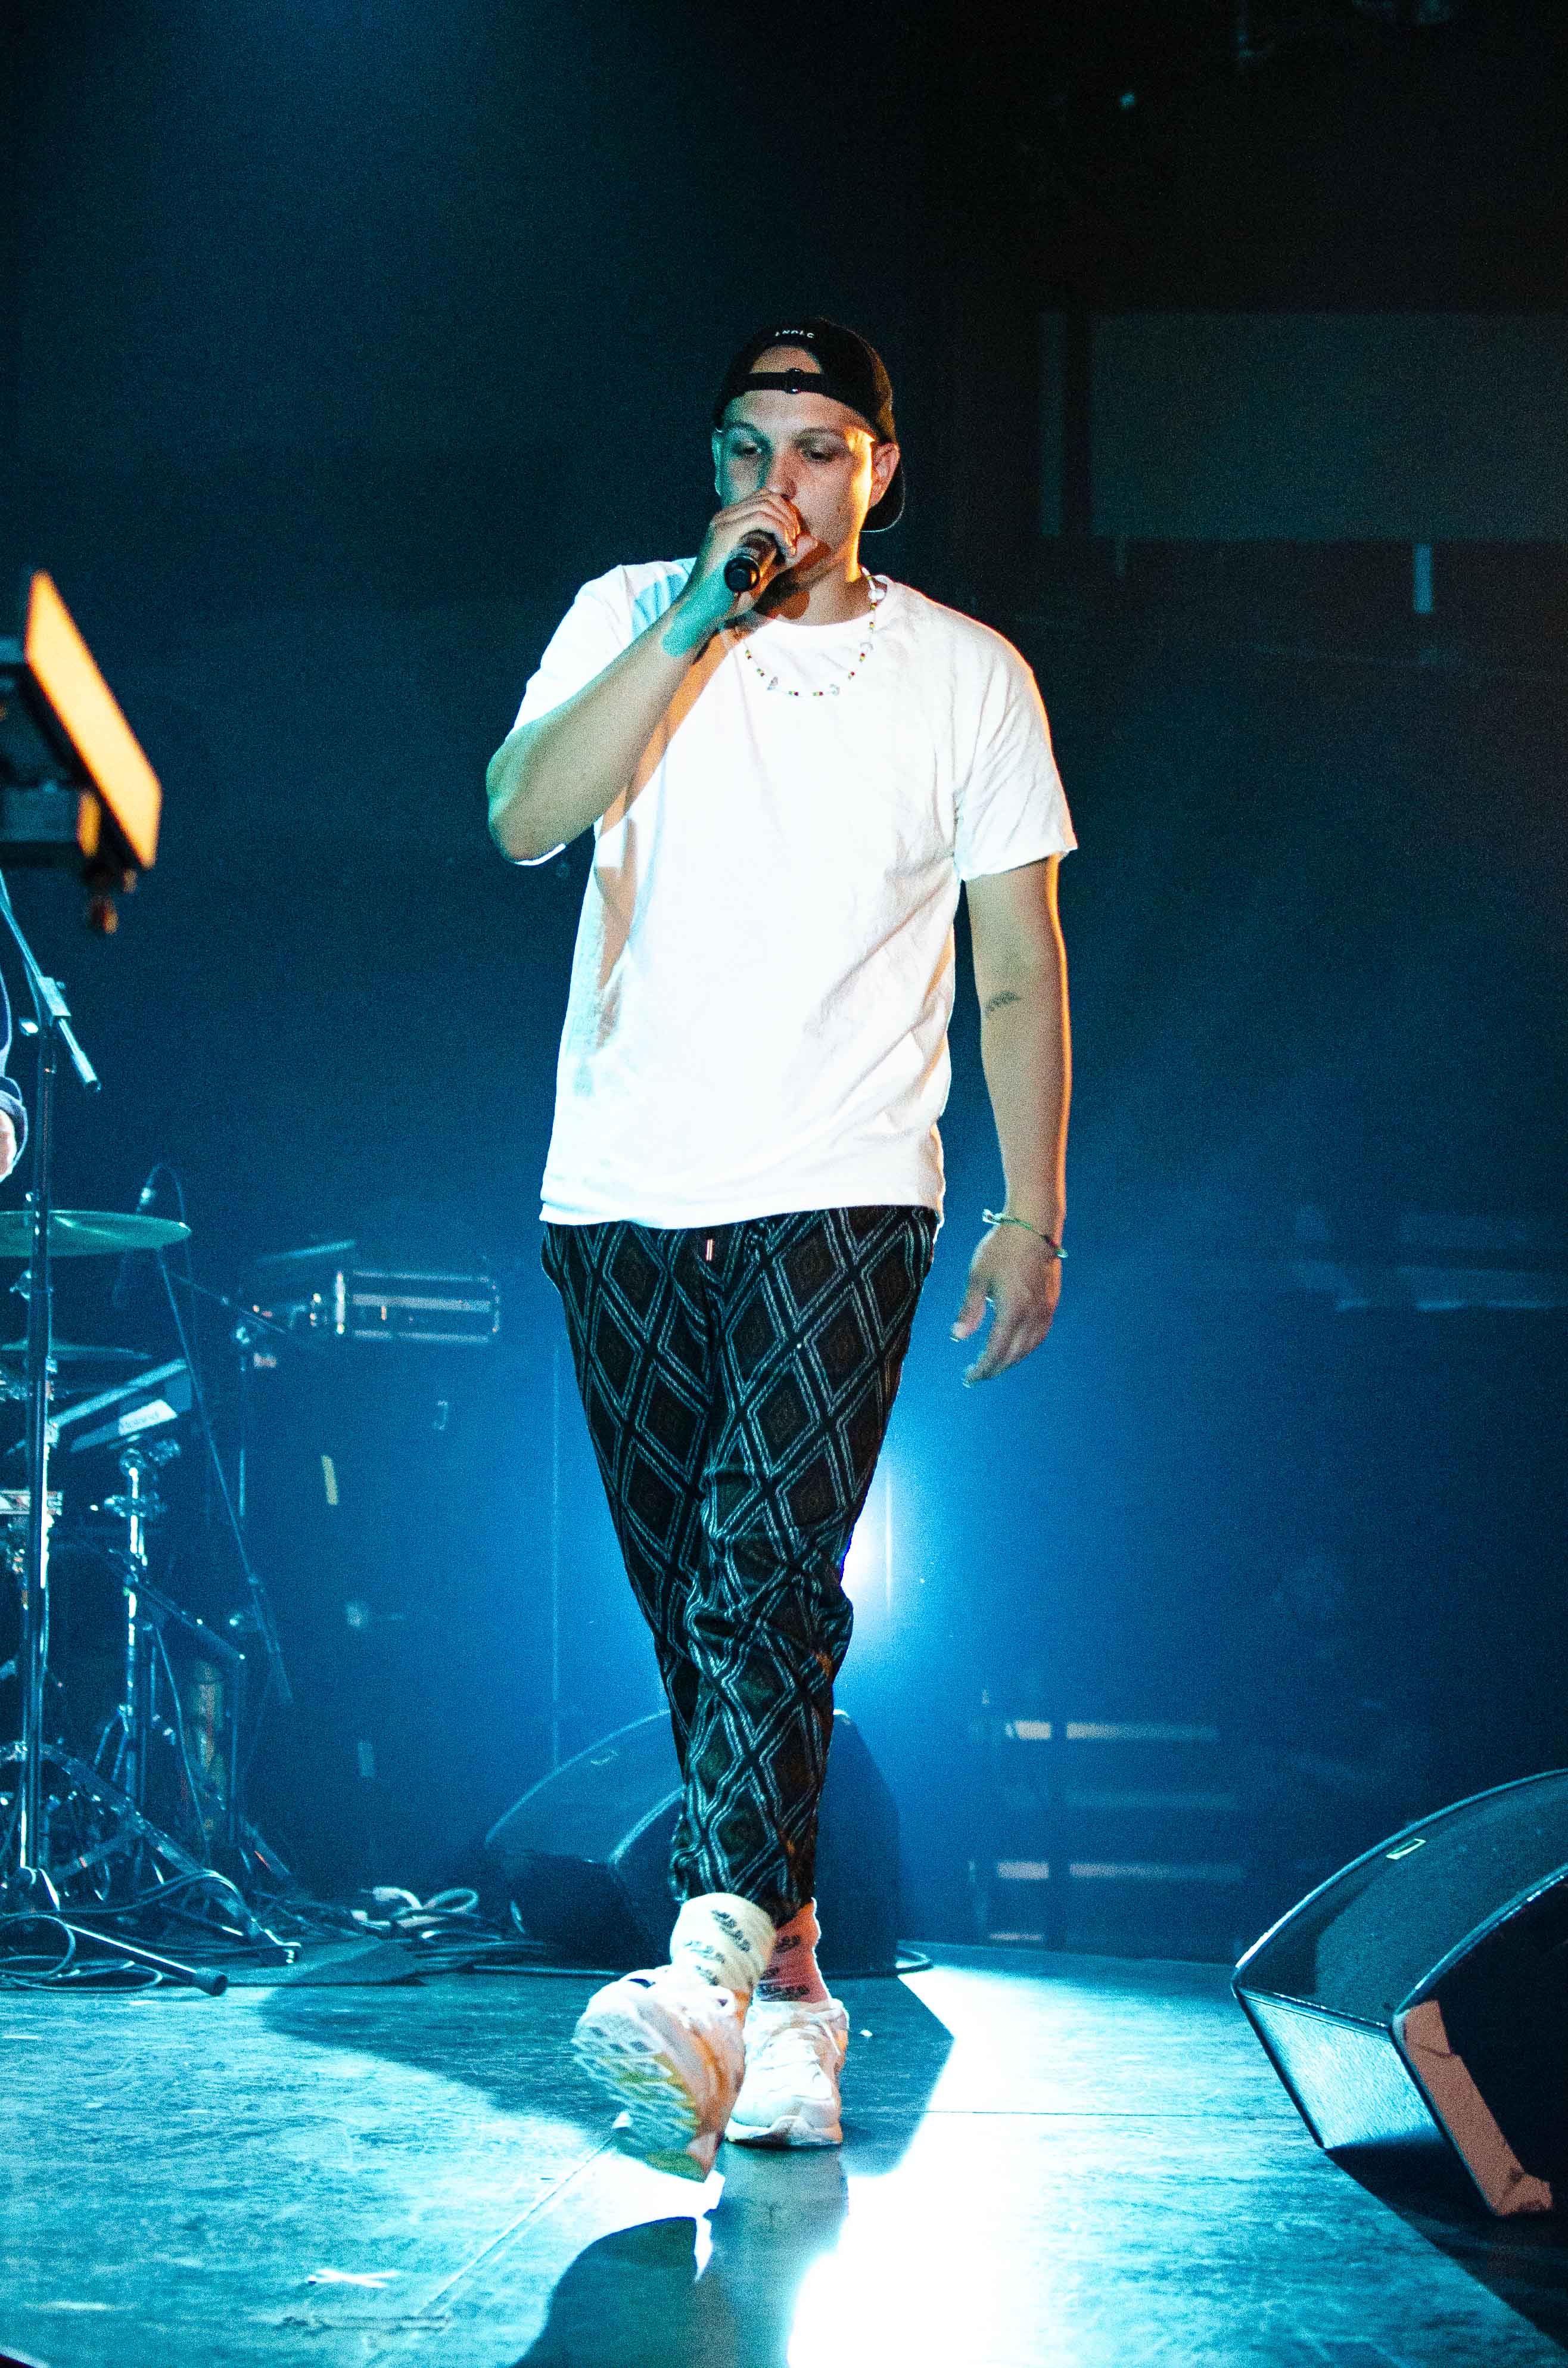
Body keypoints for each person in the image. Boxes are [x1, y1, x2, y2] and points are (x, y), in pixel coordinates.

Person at [487, 318, 1074, 2176]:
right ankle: (800, 1996)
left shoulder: (968, 676)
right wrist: (691, 623)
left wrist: (1033, 1207)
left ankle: (710, 1977)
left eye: (818, 449)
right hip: (621, 1185)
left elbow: (1015, 961)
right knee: (704, 1608)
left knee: (763, 1565)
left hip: (847, 1181)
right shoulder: (630, 615)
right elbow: (522, 817)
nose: (780, 484)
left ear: (880, 469)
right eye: (748, 449)